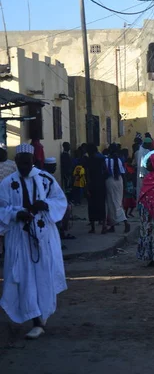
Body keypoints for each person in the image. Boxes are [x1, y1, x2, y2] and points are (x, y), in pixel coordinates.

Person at [0, 144, 68, 339]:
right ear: (16, 162)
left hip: (44, 236)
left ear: (33, 162)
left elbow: (60, 201)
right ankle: (36, 319)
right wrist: (15, 214)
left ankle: (41, 314)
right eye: (20, 163)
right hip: (20, 238)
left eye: (27, 163)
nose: (23, 167)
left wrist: (45, 204)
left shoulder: (45, 179)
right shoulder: (6, 183)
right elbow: (1, 208)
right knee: (24, 277)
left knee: (43, 276)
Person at [104, 144, 130, 234]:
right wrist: (125, 186)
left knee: (112, 203)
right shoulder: (119, 160)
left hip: (110, 181)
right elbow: (123, 173)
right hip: (119, 181)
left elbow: (105, 173)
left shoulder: (106, 160)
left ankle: (125, 222)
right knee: (117, 202)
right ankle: (112, 225)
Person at [86, 143, 107, 234]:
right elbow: (105, 170)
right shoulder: (101, 159)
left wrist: (87, 187)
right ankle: (104, 226)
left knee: (91, 206)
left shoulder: (88, 160)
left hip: (92, 185)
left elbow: (87, 175)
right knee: (101, 205)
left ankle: (93, 228)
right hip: (101, 184)